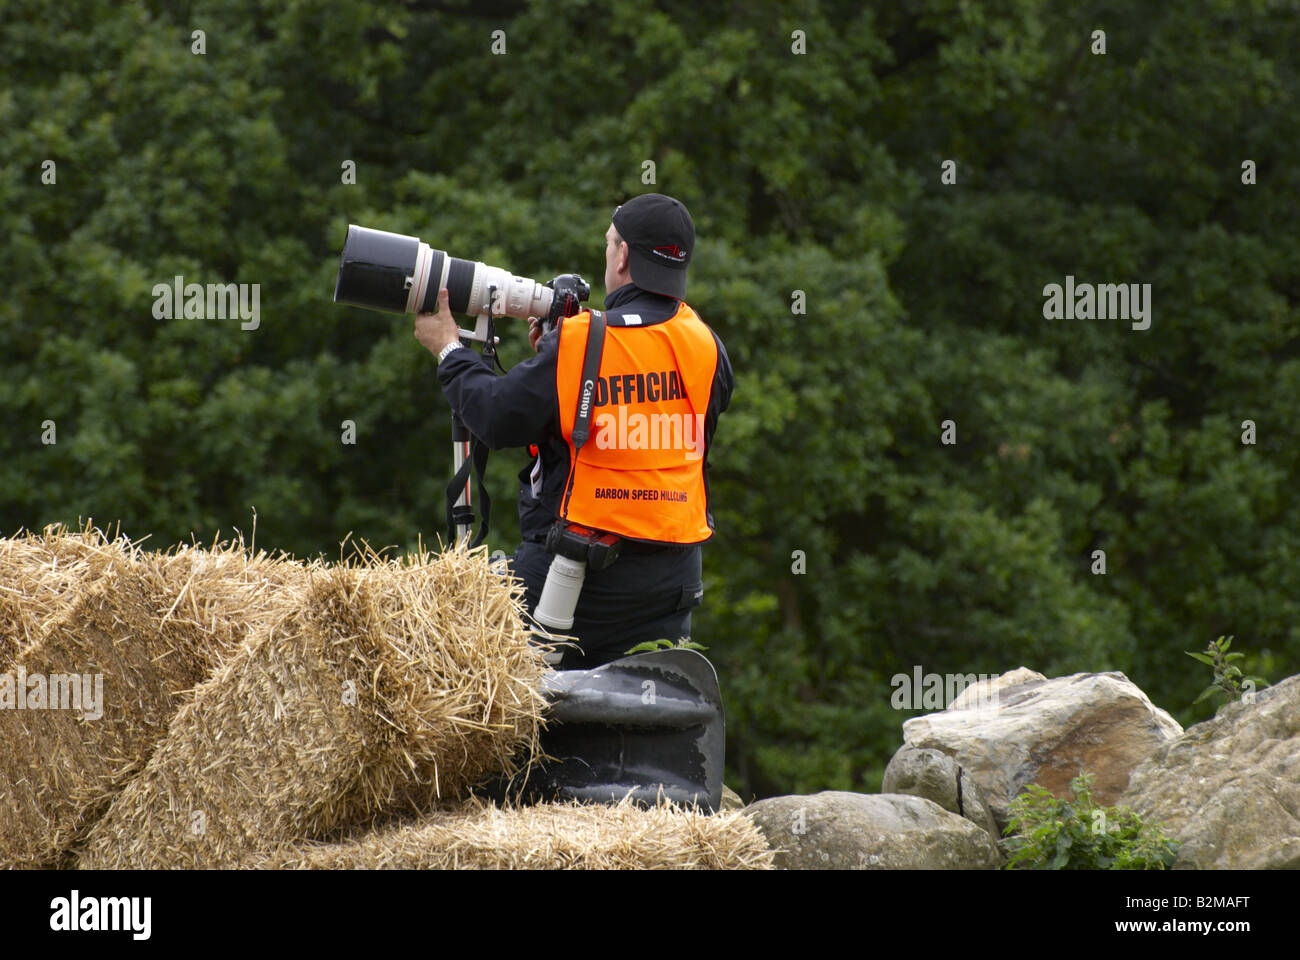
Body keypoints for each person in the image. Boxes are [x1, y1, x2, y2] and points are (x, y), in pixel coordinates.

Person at [413, 194, 733, 668]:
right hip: (670, 585)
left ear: (622, 256)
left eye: (609, 244)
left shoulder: (586, 341)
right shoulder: (706, 345)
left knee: (446, 651)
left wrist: (449, 351)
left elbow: (496, 417)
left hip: (574, 580)